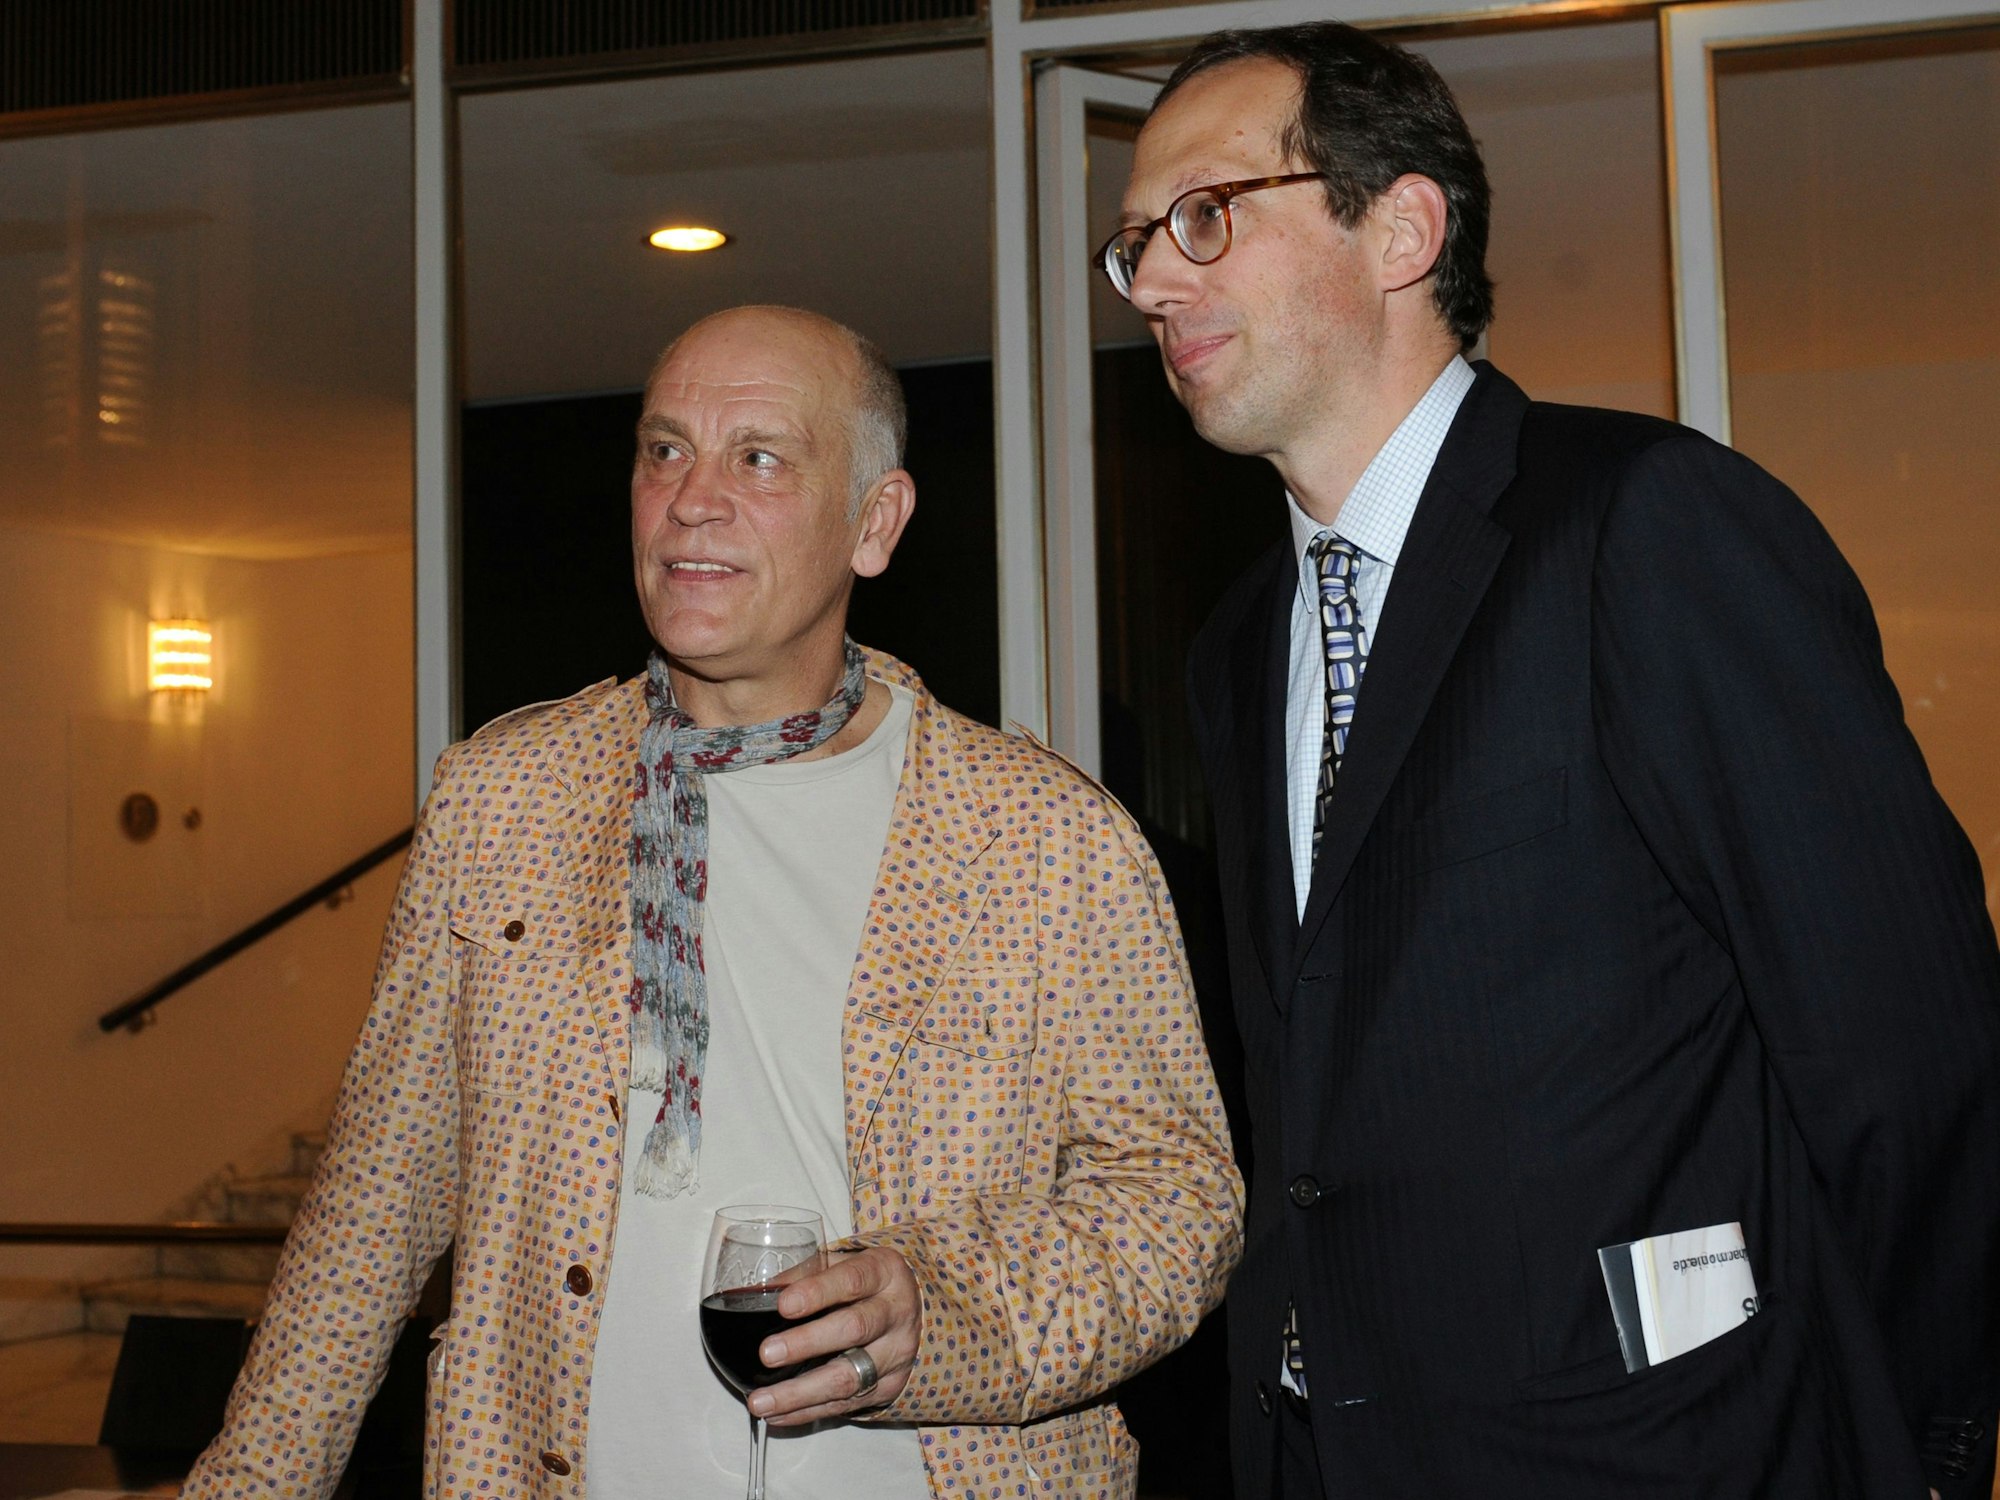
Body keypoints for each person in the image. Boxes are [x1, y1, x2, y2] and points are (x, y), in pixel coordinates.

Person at [1105, 21, 2000, 1500]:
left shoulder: (1651, 530)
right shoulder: (1239, 642)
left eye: (1205, 216)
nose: (1152, 280)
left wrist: (1899, 1445)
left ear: (1401, 225)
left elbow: (1914, 1060)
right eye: (1133, 245)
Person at [183, 305, 1243, 1500]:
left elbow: (1175, 1204)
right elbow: (377, 1198)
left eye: (759, 458)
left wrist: (936, 1317)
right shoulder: (503, 797)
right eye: (663, 449)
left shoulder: (1041, 841)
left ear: (874, 522)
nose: (691, 497)